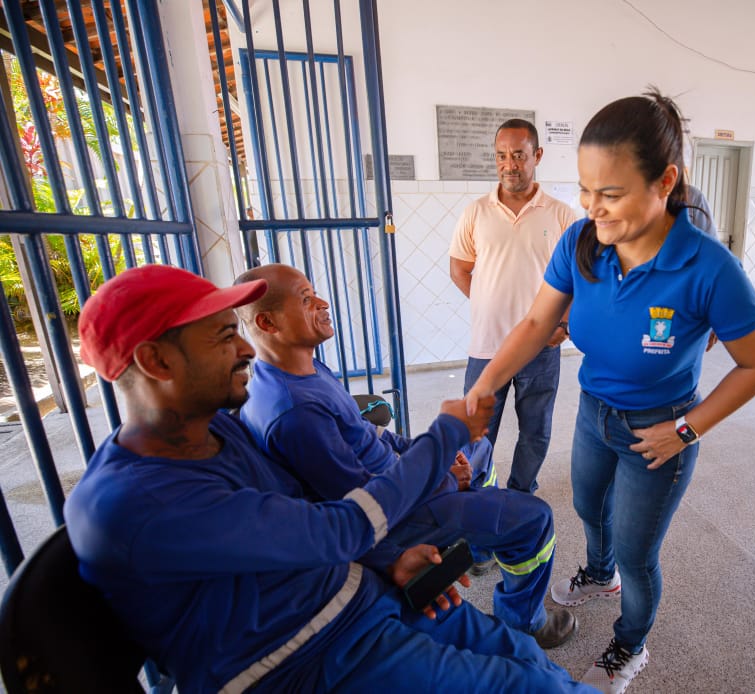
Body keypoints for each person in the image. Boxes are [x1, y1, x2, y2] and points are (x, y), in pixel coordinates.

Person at [64, 264, 593, 693]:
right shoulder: (133, 503)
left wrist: (391, 563)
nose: (246, 349)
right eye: (226, 336)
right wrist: (445, 436)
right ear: (156, 361)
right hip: (302, 659)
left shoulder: (221, 433)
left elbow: (307, 516)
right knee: (524, 686)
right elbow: (338, 527)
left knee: (521, 655)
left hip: (359, 596)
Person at [464, 90, 755, 693]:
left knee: (639, 554)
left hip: (660, 429)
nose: (593, 208)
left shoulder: (708, 267)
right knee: (587, 507)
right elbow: (534, 325)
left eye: (610, 194)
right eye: (585, 190)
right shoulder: (582, 243)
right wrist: (483, 386)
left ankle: (629, 645)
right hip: (594, 412)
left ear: (666, 181)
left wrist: (686, 430)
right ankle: (597, 573)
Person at [235, 263, 576, 649]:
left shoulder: (303, 365)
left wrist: (423, 454)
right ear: (267, 322)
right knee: (535, 520)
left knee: (478, 446)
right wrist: (444, 478)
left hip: (403, 483)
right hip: (397, 517)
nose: (323, 303)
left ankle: (480, 549)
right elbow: (363, 507)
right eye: (306, 299)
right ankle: (525, 621)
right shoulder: (294, 412)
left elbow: (368, 432)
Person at [449, 118, 578, 494]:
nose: (509, 164)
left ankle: (521, 495)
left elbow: (577, 279)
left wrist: (564, 323)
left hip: (540, 348)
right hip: (487, 346)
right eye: (502, 156)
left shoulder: (560, 215)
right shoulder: (476, 212)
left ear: (536, 155)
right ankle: (473, 499)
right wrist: (488, 303)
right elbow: (459, 269)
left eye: (519, 155)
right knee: (475, 432)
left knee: (535, 432)